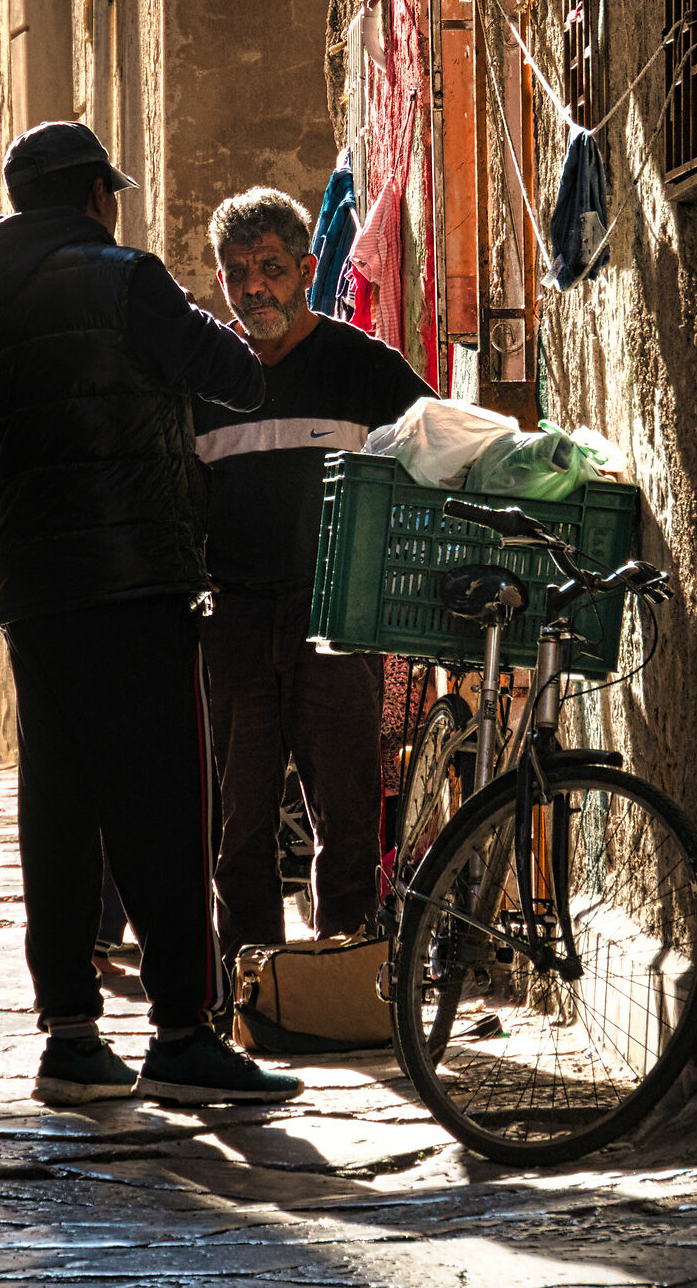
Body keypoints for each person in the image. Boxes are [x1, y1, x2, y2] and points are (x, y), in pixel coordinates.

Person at [0, 123, 304, 1109]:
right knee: (169, 807)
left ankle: (70, 1037)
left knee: (59, 812)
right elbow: (238, 374)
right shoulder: (126, 280)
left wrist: (2, 594)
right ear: (98, 194)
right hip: (137, 580)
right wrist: (192, 321)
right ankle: (183, 1031)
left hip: (39, 599)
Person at [195, 187, 432, 950]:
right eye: (236, 273)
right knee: (239, 825)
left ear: (306, 268)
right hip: (231, 621)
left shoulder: (363, 367)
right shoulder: (204, 380)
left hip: (336, 618)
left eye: (269, 267)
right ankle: (249, 987)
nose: (254, 286)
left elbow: (439, 449)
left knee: (348, 814)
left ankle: (347, 981)